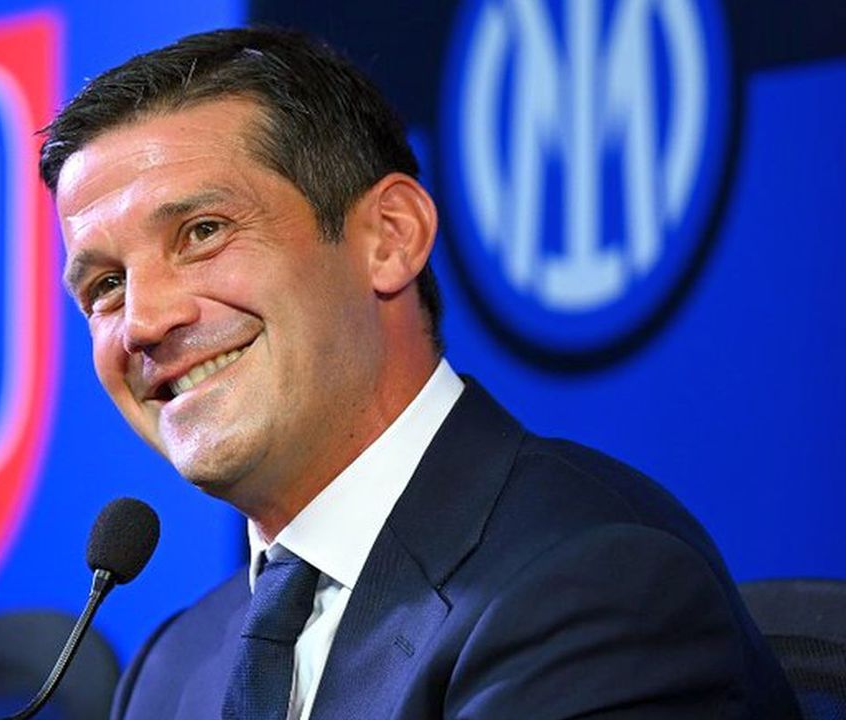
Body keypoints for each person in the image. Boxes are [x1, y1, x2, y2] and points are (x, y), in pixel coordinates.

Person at [39, 27, 799, 720]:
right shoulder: (169, 673)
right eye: (105, 286)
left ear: (390, 238)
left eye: (203, 233)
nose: (143, 322)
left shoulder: (592, 584)